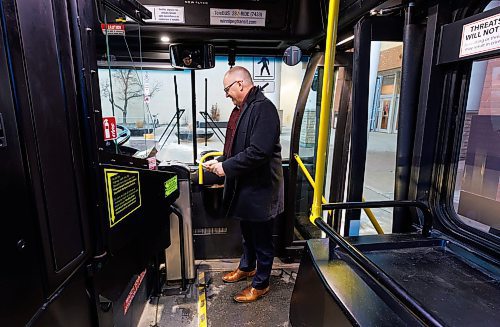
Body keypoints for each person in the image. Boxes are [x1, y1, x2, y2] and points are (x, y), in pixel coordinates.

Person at [204, 66, 284, 303]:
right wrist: (221, 160)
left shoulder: (264, 109)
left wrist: (226, 168)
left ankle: (261, 283)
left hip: (261, 189)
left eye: (227, 89)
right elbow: (238, 146)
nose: (226, 94)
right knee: (248, 235)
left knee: (262, 239)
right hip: (247, 188)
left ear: (240, 84)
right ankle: (247, 268)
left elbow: (258, 152)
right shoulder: (243, 109)